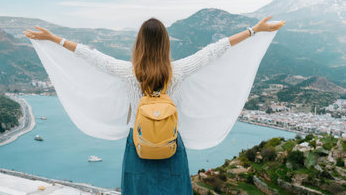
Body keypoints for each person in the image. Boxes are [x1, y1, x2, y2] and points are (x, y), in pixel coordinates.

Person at [24, 16, 285, 194]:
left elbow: (90, 55)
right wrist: (254, 31)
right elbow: (215, 50)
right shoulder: (178, 71)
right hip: (170, 143)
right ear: (165, 44)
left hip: (138, 145)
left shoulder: (127, 72)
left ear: (139, 44)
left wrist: (53, 39)